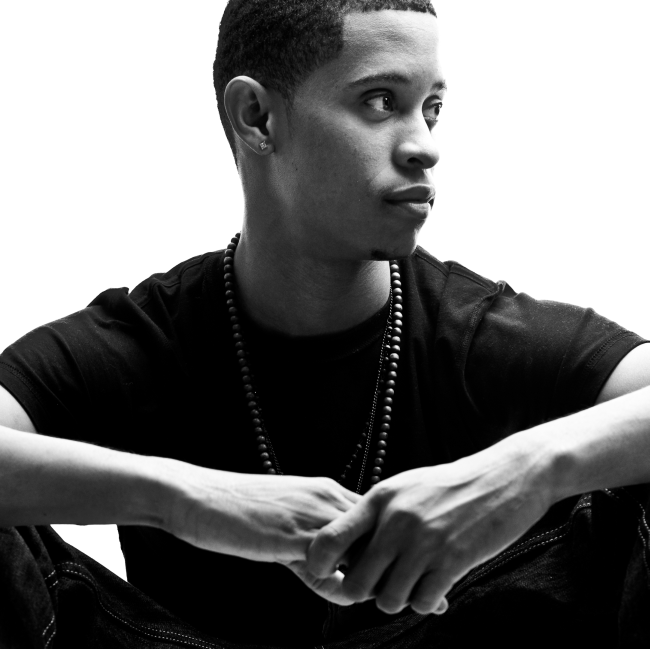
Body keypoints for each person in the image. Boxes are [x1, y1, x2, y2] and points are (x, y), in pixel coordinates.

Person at [1, 0, 649, 647]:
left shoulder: (482, 333)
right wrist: (185, 500)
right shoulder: (144, 341)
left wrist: (519, 474)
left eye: (431, 109)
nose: (425, 146)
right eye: (380, 102)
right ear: (257, 117)